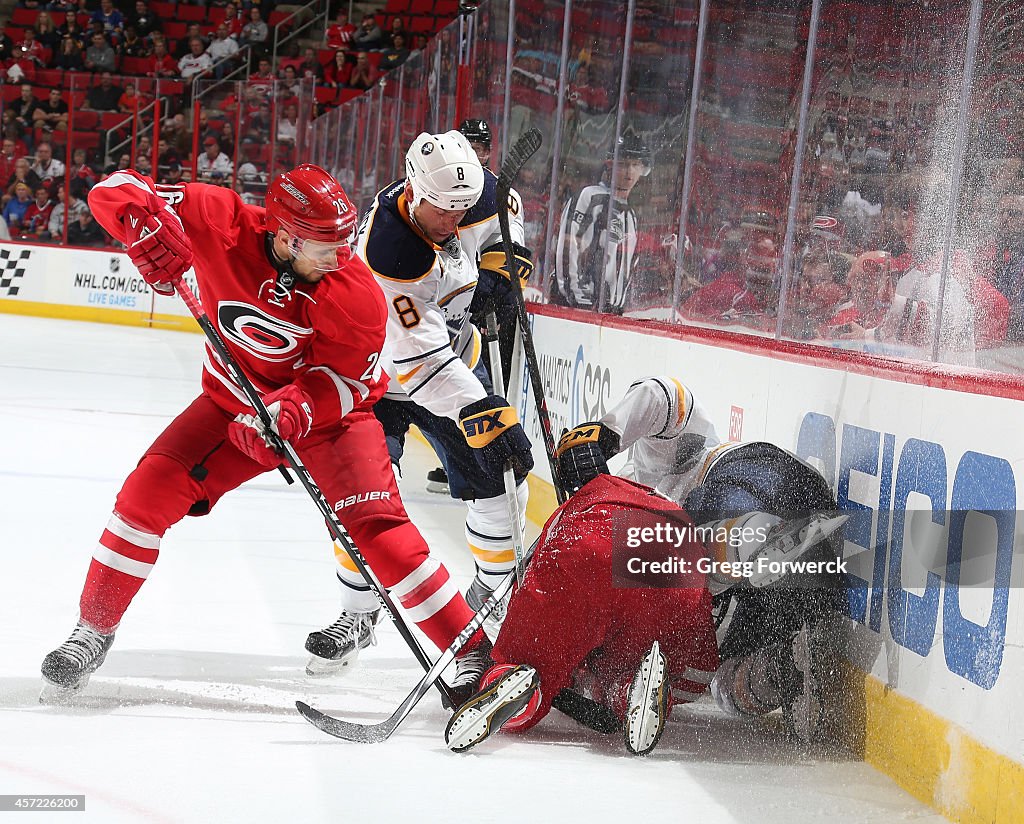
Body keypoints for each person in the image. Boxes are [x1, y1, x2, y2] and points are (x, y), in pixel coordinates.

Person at [40, 164, 492, 703]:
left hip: (331, 423)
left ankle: (472, 653)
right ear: (284, 234)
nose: (341, 255)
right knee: (145, 494)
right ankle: (93, 631)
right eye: (325, 245)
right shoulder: (218, 218)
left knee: (380, 536)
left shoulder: (356, 293)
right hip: (229, 406)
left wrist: (297, 408)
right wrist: (139, 223)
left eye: (344, 239)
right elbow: (112, 188)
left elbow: (350, 382)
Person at [305, 131, 535, 672]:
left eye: (461, 209)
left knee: (498, 486)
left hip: (456, 354)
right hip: (381, 375)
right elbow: (420, 364)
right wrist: (484, 413)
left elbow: (505, 216)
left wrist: (505, 260)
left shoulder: (468, 193)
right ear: (413, 188)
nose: (453, 222)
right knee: (360, 495)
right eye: (442, 212)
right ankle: (358, 613)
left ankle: (492, 606)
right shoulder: (392, 250)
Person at [547, 376, 849, 744]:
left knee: (676, 546)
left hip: (755, 481)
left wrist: (605, 434)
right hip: (783, 559)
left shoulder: (648, 468)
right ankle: (787, 666)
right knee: (723, 683)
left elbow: (663, 395)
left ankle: (757, 537)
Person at [444, 472, 720, 754]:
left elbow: (539, 595)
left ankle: (510, 683)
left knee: (535, 659)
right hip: (684, 565)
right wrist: (679, 675)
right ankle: (625, 695)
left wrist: (522, 657)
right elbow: (702, 666)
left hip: (595, 541)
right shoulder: (660, 504)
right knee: (615, 670)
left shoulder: (586, 502)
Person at [553, 132, 648, 314]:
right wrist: (580, 303)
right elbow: (568, 249)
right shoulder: (589, 197)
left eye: (635, 165)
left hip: (610, 315)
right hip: (579, 310)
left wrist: (617, 308)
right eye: (622, 164)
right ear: (609, 166)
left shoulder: (631, 216)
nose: (629, 172)